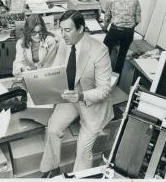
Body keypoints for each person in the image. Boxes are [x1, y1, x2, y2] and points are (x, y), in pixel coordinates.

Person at [40, 10, 113, 177]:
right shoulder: (64, 43)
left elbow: (104, 89)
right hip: (71, 97)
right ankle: (51, 168)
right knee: (52, 128)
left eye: (67, 30)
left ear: (80, 29)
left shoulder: (99, 50)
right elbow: (57, 70)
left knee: (82, 151)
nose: (63, 34)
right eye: (61, 30)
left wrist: (81, 96)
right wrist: (39, 80)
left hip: (91, 103)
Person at [103, 0, 141, 74]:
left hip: (115, 30)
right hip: (129, 32)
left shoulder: (112, 0)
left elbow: (107, 18)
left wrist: (104, 28)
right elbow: (138, 20)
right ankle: (116, 76)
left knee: (105, 51)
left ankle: (103, 71)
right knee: (122, 54)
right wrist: (128, 27)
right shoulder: (135, 0)